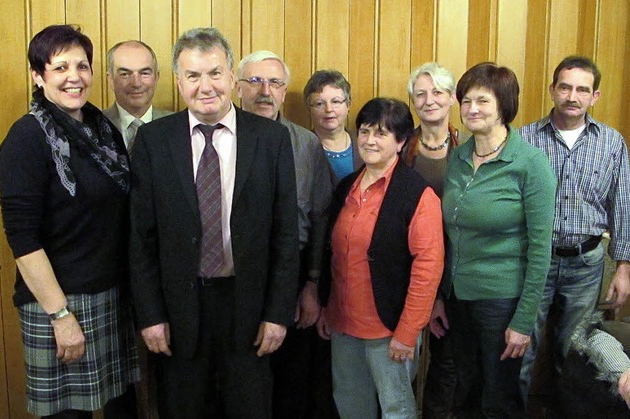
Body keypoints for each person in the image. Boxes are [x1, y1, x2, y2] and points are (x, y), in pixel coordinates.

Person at [128, 28, 299, 419]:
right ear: (178, 81)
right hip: (178, 310)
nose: (206, 86)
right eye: (193, 75)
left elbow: (285, 236)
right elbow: (140, 238)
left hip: (250, 307)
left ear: (232, 78)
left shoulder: (271, 139)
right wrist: (151, 316)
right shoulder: (154, 141)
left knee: (250, 407)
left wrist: (277, 313)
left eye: (215, 73)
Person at [0, 24, 139, 419]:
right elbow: (23, 241)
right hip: (60, 305)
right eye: (60, 67)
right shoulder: (26, 138)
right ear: (38, 77)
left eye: (82, 65)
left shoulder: (100, 129)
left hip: (110, 295)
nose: (74, 77)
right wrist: (61, 317)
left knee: (122, 407)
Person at [441, 62, 556, 417]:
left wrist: (523, 321)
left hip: (502, 301)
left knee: (499, 397)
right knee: (466, 389)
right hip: (459, 297)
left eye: (482, 101)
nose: (471, 109)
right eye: (466, 100)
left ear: (504, 105)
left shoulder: (530, 163)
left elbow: (541, 251)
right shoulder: (458, 156)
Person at [318, 97, 445, 418]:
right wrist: (325, 307)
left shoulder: (417, 194)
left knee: (396, 408)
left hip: (389, 330)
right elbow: (331, 255)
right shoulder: (347, 186)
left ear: (401, 141)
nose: (369, 141)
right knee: (350, 406)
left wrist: (407, 332)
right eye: (364, 131)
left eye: (381, 134)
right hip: (344, 325)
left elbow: (428, 270)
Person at [518, 55, 630, 404]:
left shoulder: (611, 143)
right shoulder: (523, 140)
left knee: (575, 353)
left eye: (583, 89)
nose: (572, 96)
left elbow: (623, 206)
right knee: (522, 349)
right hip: (534, 261)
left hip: (587, 263)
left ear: (594, 96)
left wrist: (624, 267)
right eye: (565, 87)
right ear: (552, 90)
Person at [236, 50, 335, 418]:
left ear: (284, 90)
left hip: (291, 275)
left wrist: (311, 285)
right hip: (235, 277)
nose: (265, 90)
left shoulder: (306, 144)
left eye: (275, 82)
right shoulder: (221, 138)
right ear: (237, 87)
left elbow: (320, 217)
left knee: (291, 381)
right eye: (255, 81)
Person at [402, 62, 464, 418]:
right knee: (403, 358)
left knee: (447, 365)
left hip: (454, 273)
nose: (429, 101)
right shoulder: (400, 149)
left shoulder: (469, 151)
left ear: (452, 99)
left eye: (437, 92)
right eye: (421, 93)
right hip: (407, 268)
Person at [104, 40, 173, 151]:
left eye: (144, 73)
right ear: (111, 80)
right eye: (125, 74)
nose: (136, 83)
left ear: (156, 78)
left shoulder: (177, 127)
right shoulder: (94, 126)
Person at [303, 69, 363, 185]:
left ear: (348, 105)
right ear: (309, 108)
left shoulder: (364, 143)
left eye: (336, 102)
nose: (329, 109)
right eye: (320, 103)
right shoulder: (302, 147)